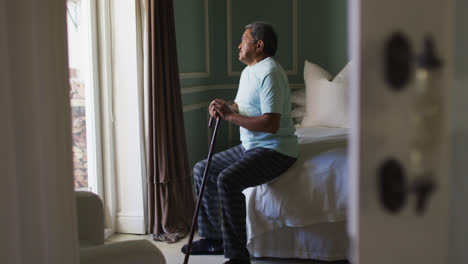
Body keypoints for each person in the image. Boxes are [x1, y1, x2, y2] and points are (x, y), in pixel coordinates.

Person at [181, 22, 298, 264]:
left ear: (259, 45)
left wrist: (230, 117)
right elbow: (242, 106)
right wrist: (226, 107)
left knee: (228, 180)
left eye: (243, 39)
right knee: (202, 169)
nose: (238, 45)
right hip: (250, 147)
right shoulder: (249, 72)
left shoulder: (270, 72)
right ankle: (214, 239)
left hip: (275, 150)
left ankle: (238, 257)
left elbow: (271, 124)